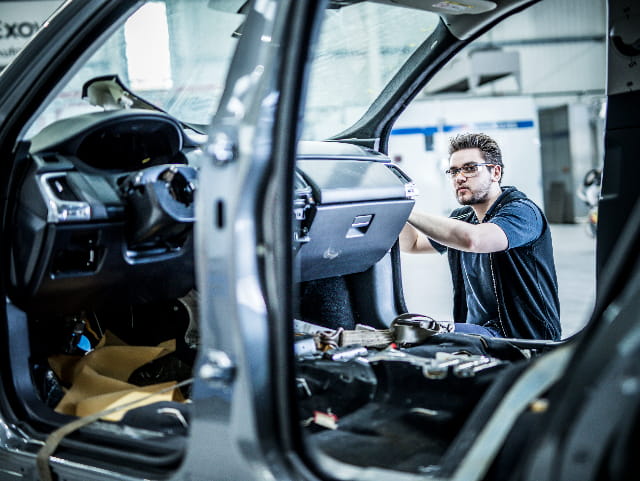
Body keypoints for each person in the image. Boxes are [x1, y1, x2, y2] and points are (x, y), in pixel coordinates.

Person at [399, 133, 561, 340]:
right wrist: (398, 202)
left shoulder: (522, 212)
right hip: (482, 332)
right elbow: (411, 244)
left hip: (523, 338)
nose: (459, 177)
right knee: (411, 333)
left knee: (420, 335)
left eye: (470, 168)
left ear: (495, 172)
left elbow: (474, 240)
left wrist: (409, 213)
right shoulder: (463, 218)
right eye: (454, 171)